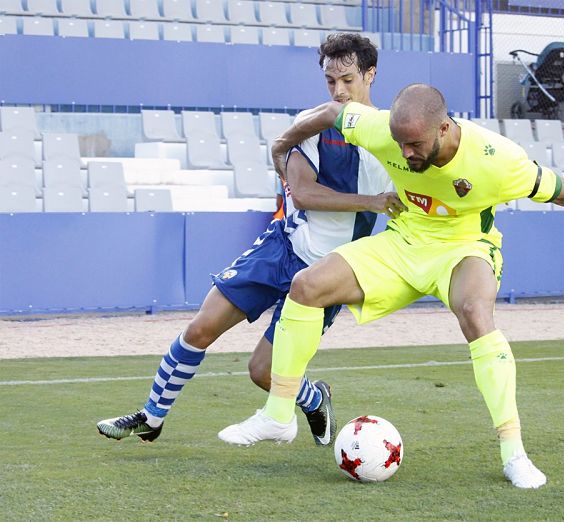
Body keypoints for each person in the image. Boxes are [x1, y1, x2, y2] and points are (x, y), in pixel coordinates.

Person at [219, 84, 564, 489]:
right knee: (306, 286)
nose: (406, 152)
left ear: (445, 128)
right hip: (405, 240)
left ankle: (514, 452)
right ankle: (278, 416)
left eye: (415, 143)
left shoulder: (498, 160)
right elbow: (330, 112)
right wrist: (282, 144)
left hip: (464, 247)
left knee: (475, 314)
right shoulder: (383, 129)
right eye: (400, 143)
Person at [96, 33, 405, 446]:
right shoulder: (313, 122)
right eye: (330, 81)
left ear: (371, 74)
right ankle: (151, 417)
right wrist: (374, 201)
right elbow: (305, 193)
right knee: (200, 328)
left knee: (263, 372)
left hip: (330, 273)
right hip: (283, 248)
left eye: (348, 80)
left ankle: (315, 398)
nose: (338, 91)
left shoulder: (391, 140)